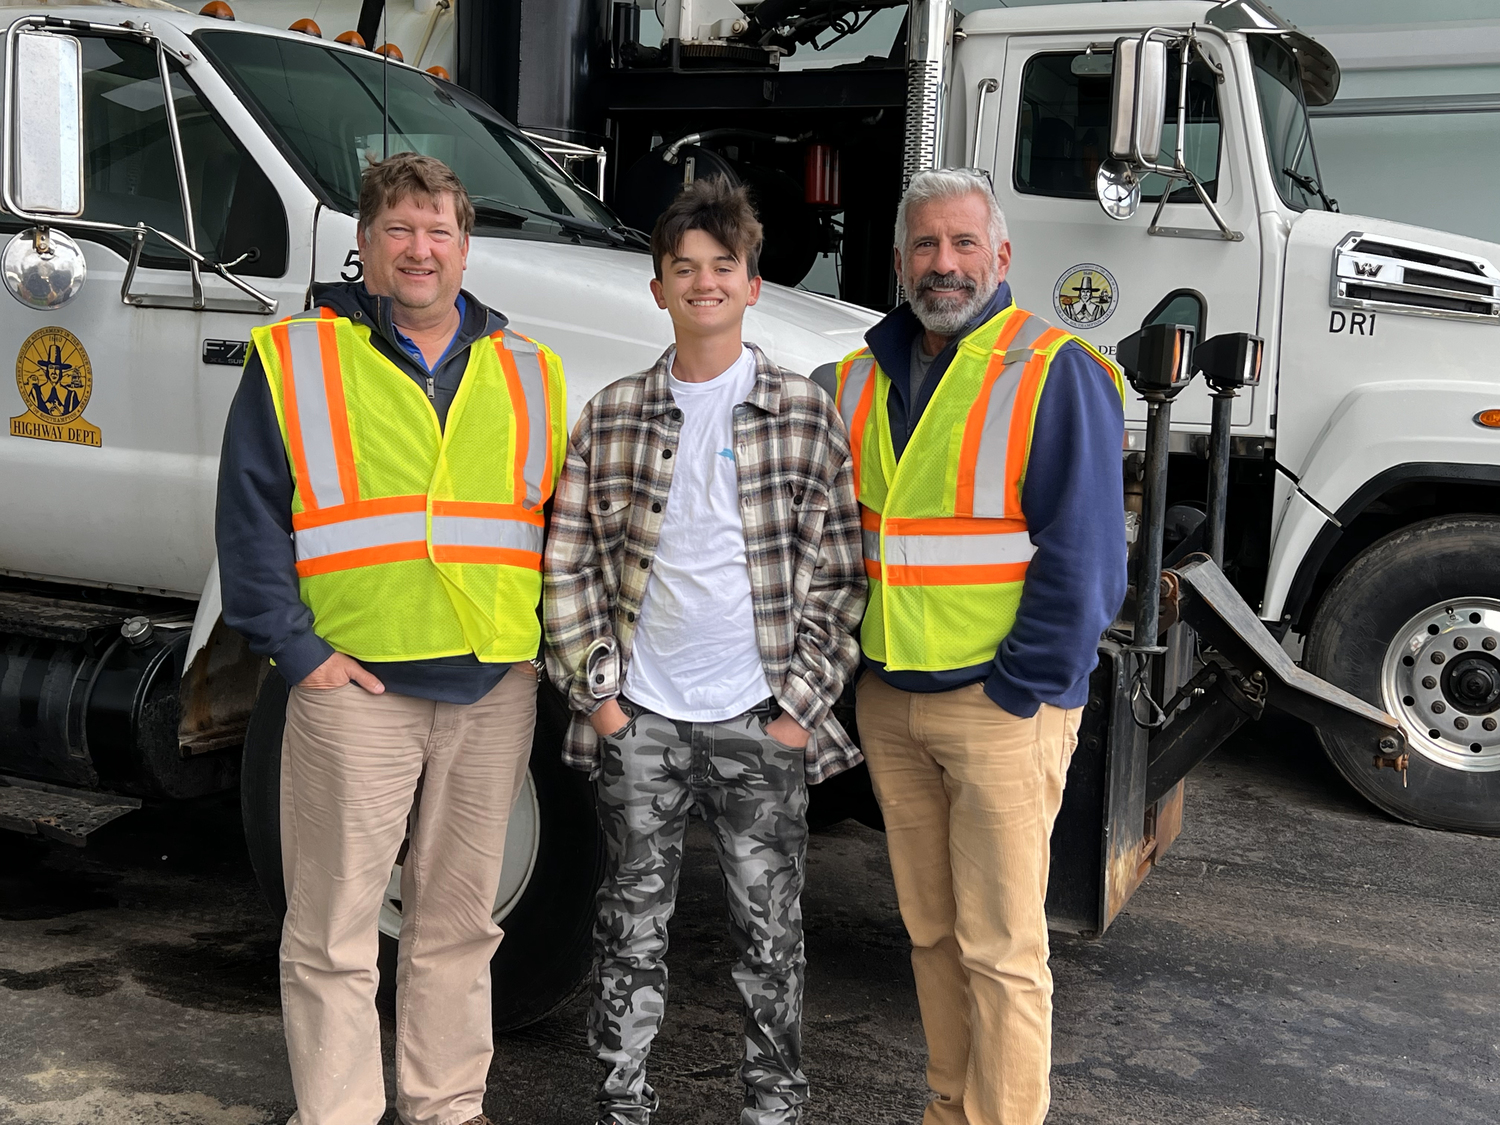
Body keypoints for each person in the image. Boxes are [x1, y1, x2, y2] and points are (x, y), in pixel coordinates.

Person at [216, 152, 567, 1125]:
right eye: (399, 230)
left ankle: (446, 1107)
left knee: (458, 925)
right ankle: (336, 1113)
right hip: (353, 688)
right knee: (332, 931)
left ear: (465, 247)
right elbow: (250, 522)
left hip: (492, 690)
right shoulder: (297, 357)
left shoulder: (531, 368)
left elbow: (554, 524)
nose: (421, 248)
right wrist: (300, 655)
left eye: (439, 230)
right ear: (365, 249)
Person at [543, 177, 866, 1125]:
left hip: (759, 721)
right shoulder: (609, 416)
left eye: (723, 266)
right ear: (657, 289)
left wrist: (799, 706)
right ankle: (620, 1105)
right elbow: (567, 568)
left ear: (753, 283)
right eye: (682, 268)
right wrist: (603, 700)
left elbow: (840, 575)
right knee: (629, 926)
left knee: (769, 934)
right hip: (639, 717)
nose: (703, 283)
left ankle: (773, 1107)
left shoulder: (804, 414)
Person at [834, 168, 1127, 1125]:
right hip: (891, 697)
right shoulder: (856, 376)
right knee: (930, 933)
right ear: (898, 262)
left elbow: (1086, 559)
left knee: (1003, 949)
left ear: (1001, 258)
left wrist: (1021, 690)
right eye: (926, 246)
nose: (944, 264)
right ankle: (948, 1107)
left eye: (964, 245)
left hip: (1002, 705)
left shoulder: (1053, 367)